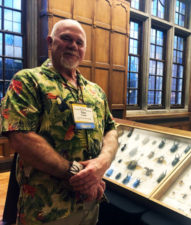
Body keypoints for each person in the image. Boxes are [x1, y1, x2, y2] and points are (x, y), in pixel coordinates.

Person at [0, 19, 118, 225]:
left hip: (90, 202)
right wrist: (77, 174)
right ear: (50, 41)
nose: (73, 45)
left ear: (85, 50)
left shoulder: (95, 91)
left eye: (79, 42)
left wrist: (101, 164)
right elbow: (21, 137)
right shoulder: (28, 81)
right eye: (66, 38)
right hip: (46, 208)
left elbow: (111, 130)